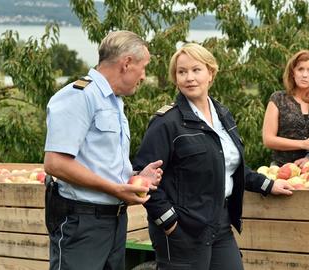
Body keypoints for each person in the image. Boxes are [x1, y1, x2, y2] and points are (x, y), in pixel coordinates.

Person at [132, 43, 294, 270]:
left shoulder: (223, 116)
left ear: (211, 73)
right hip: (183, 229)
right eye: (182, 72)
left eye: (196, 70)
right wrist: (169, 222)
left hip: (220, 223)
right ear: (175, 78)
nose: (189, 77)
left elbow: (228, 166)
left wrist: (268, 184)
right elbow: (142, 178)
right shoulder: (167, 123)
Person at [43, 30, 163, 270]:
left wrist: (134, 179)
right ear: (127, 63)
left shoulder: (113, 101)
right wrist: (116, 188)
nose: (144, 76)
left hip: (114, 220)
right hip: (82, 222)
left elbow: (98, 163)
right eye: (144, 67)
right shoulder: (79, 96)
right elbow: (55, 163)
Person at [262, 50, 309, 167]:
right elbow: (268, 140)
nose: (305, 75)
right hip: (282, 169)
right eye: (300, 69)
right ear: (293, 72)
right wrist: (303, 144)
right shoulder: (278, 99)